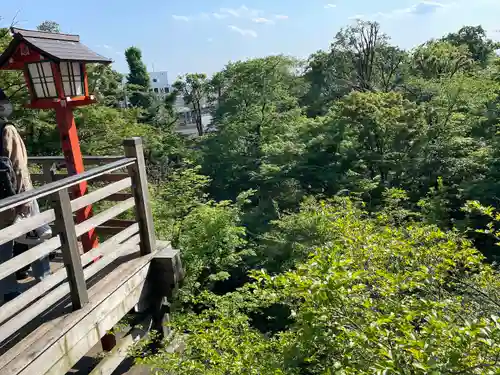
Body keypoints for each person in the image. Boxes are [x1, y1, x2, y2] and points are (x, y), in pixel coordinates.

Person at [0, 88, 50, 303]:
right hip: (16, 195)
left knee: (2, 245)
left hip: (2, 197)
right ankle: (43, 279)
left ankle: (8, 290)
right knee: (36, 235)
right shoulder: (6, 129)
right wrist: (25, 199)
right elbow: (19, 166)